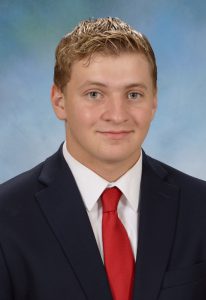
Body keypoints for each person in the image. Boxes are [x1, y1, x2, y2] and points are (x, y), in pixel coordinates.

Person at [0, 17, 206, 300]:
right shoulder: (7, 217)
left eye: (134, 94)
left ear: (154, 101)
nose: (117, 114)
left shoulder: (200, 207)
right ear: (59, 101)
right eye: (94, 94)